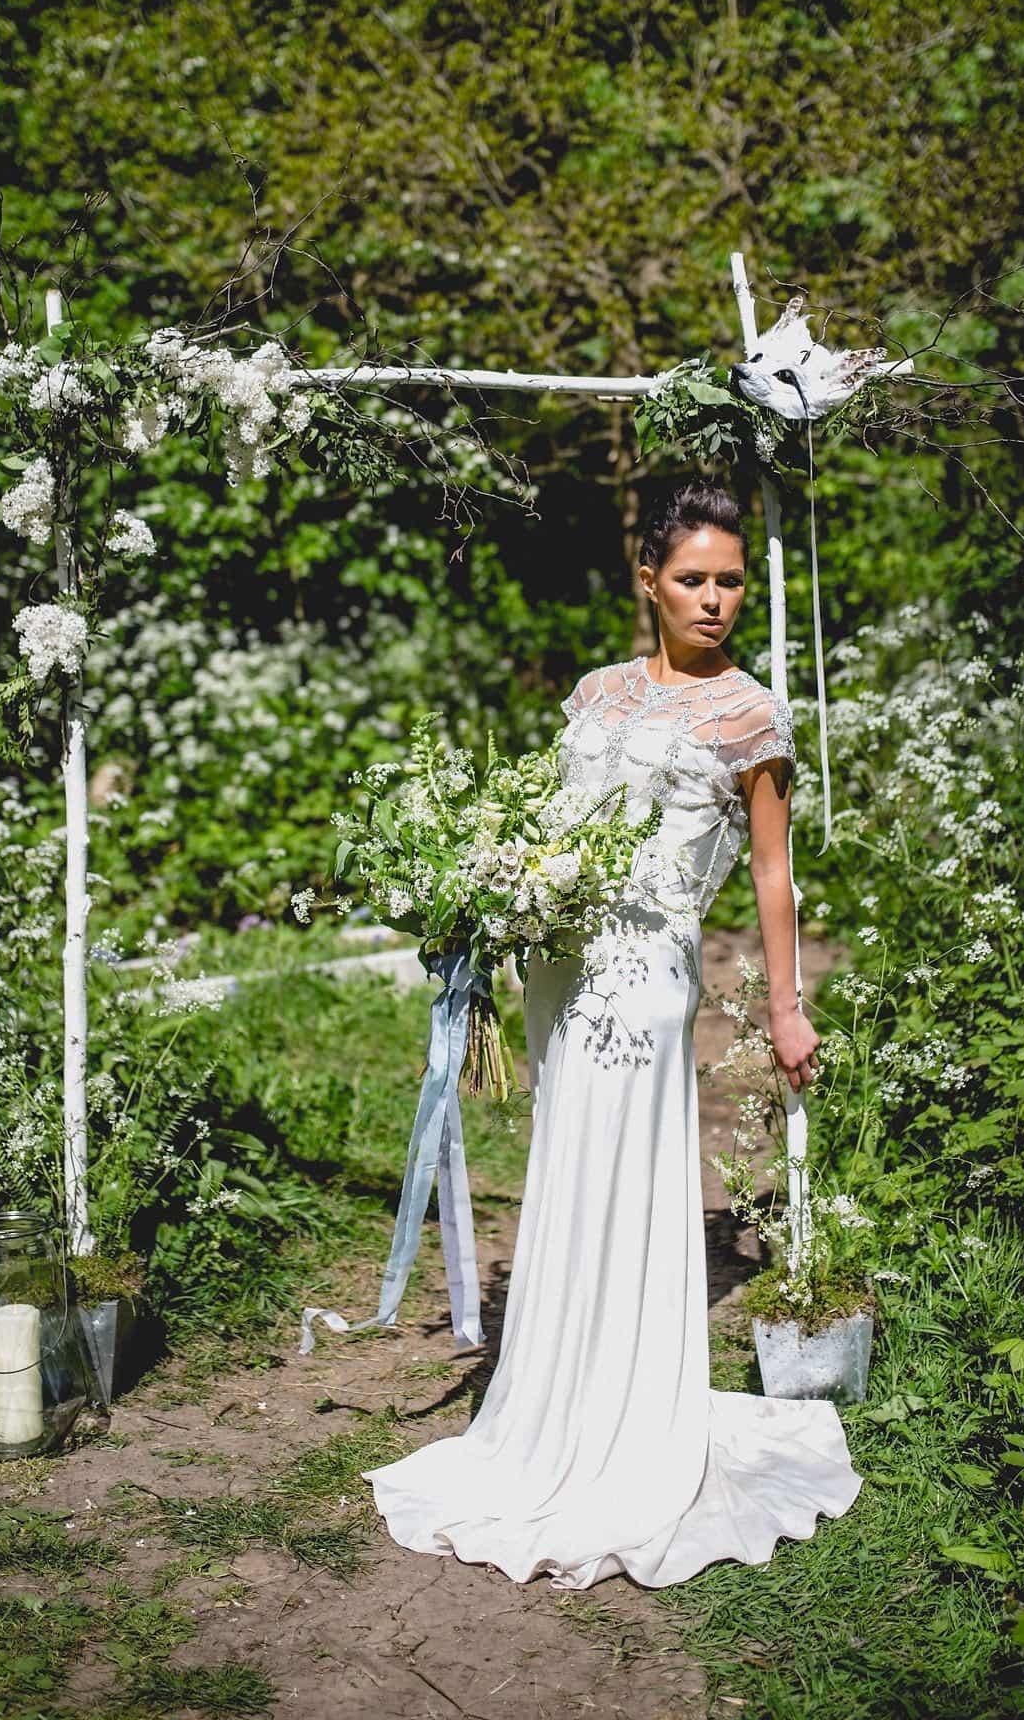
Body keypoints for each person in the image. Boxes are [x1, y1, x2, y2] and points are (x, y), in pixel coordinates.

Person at [361, 481, 863, 1588]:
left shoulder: (748, 714)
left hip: (645, 969)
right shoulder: (593, 691)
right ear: (648, 580)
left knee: (629, 1169)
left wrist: (784, 1004)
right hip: (560, 962)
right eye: (692, 577)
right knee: (567, 1166)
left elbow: (773, 874)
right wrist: (483, 894)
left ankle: (626, 1417)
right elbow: (553, 823)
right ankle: (558, 1392)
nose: (714, 598)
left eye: (730, 578)